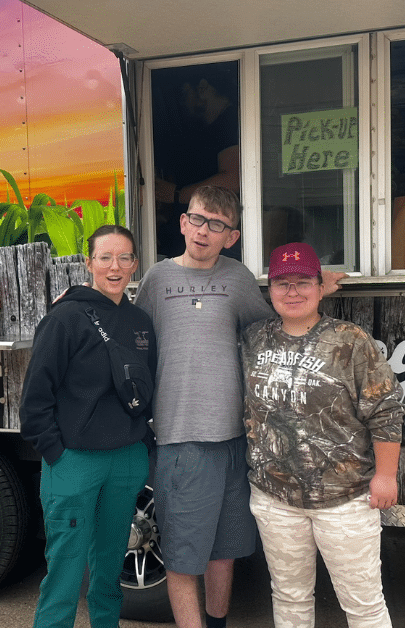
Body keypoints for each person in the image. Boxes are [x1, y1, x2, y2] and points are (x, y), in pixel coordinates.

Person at [241, 242, 404, 628]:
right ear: (269, 289)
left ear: (320, 286)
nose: (292, 292)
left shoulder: (349, 340)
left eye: (303, 283)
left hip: (344, 498)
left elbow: (385, 409)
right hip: (274, 496)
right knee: (290, 597)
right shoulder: (253, 338)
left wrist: (385, 475)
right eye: (282, 283)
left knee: (363, 604)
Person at [134, 185, 273, 628]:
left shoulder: (238, 278)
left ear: (230, 236)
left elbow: (269, 330)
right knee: (183, 559)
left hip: (235, 439)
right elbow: (131, 337)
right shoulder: (157, 279)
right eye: (197, 219)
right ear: (182, 222)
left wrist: (315, 291)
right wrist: (83, 303)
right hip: (182, 439)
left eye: (216, 225)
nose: (203, 231)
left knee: (224, 554)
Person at [19, 225, 156, 628]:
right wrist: (57, 454)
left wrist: (142, 443)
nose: (115, 267)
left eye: (125, 258)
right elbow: (35, 399)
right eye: (105, 258)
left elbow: (149, 387)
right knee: (64, 572)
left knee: (110, 569)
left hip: (126, 459)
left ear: (135, 264)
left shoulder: (140, 322)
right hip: (74, 460)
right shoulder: (65, 318)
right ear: (89, 263)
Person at [152, 64, 241, 260]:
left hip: (216, 246)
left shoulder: (229, 123)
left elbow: (233, 179)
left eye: (184, 94)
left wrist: (176, 194)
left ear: (202, 88)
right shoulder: (209, 128)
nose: (183, 103)